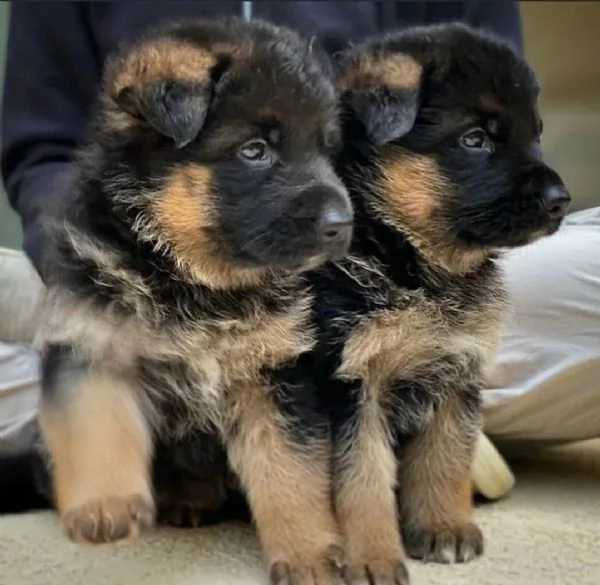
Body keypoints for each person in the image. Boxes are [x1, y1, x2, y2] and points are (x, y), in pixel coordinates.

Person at [8, 1, 595, 500]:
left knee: (567, 279)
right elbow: (47, 151)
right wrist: (94, 280)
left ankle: (391, 398)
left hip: (389, 280)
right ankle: (367, 422)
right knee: (46, 316)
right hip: (148, 278)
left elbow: (493, 129)